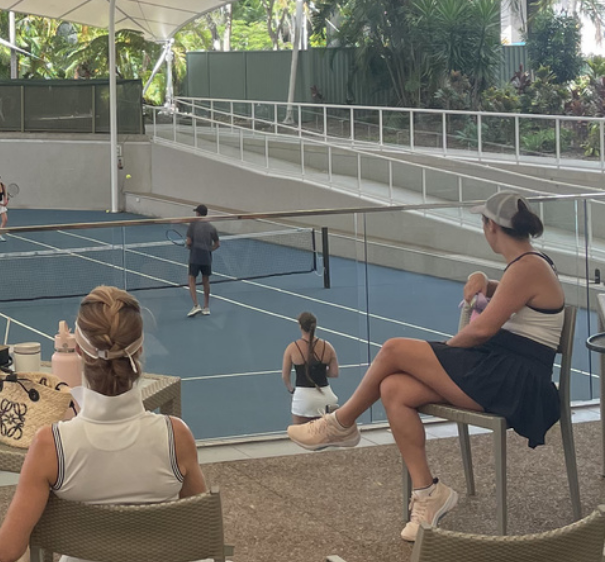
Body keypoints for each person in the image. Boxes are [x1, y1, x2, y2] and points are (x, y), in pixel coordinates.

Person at [0, 286, 237, 562]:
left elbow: (7, 548)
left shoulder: (51, 445)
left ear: (77, 353)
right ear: (140, 352)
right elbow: (201, 536)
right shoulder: (176, 436)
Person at [287, 191, 564, 542]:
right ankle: (427, 493)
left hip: (515, 383)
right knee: (393, 389)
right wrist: (483, 277)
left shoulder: (527, 267)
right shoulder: (528, 264)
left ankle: (341, 424)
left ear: (491, 227)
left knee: (393, 350)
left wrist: (445, 353)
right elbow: (510, 293)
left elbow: (482, 330)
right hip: (502, 370)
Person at [282, 312, 340, 424]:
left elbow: (285, 376)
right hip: (326, 398)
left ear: (300, 326)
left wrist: (291, 390)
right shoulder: (327, 347)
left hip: (303, 399)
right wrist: (319, 372)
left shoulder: (292, 348)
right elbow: (334, 373)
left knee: (300, 432)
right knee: (326, 432)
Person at [185, 204, 220, 317]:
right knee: (206, 281)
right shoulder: (211, 228)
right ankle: (206, 307)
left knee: (191, 280)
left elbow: (189, 242)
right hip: (206, 258)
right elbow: (217, 244)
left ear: (198, 213)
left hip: (195, 257)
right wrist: (209, 250)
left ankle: (196, 305)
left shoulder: (193, 225)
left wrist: (188, 246)